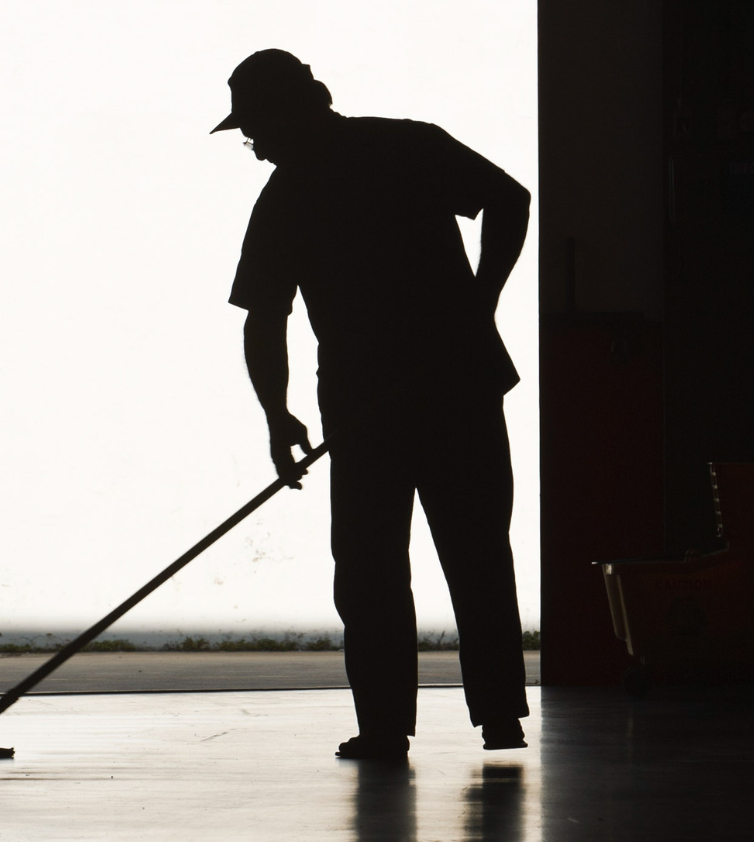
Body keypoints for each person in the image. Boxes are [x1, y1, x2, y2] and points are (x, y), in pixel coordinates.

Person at [213, 49, 532, 759]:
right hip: (451, 386)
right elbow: (509, 200)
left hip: (373, 403)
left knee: (369, 567)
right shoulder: (406, 144)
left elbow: (263, 316)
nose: (252, 145)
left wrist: (278, 413)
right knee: (474, 551)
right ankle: (498, 715)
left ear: (291, 112)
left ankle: (386, 727)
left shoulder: (291, 193)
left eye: (254, 128)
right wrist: (478, 305)